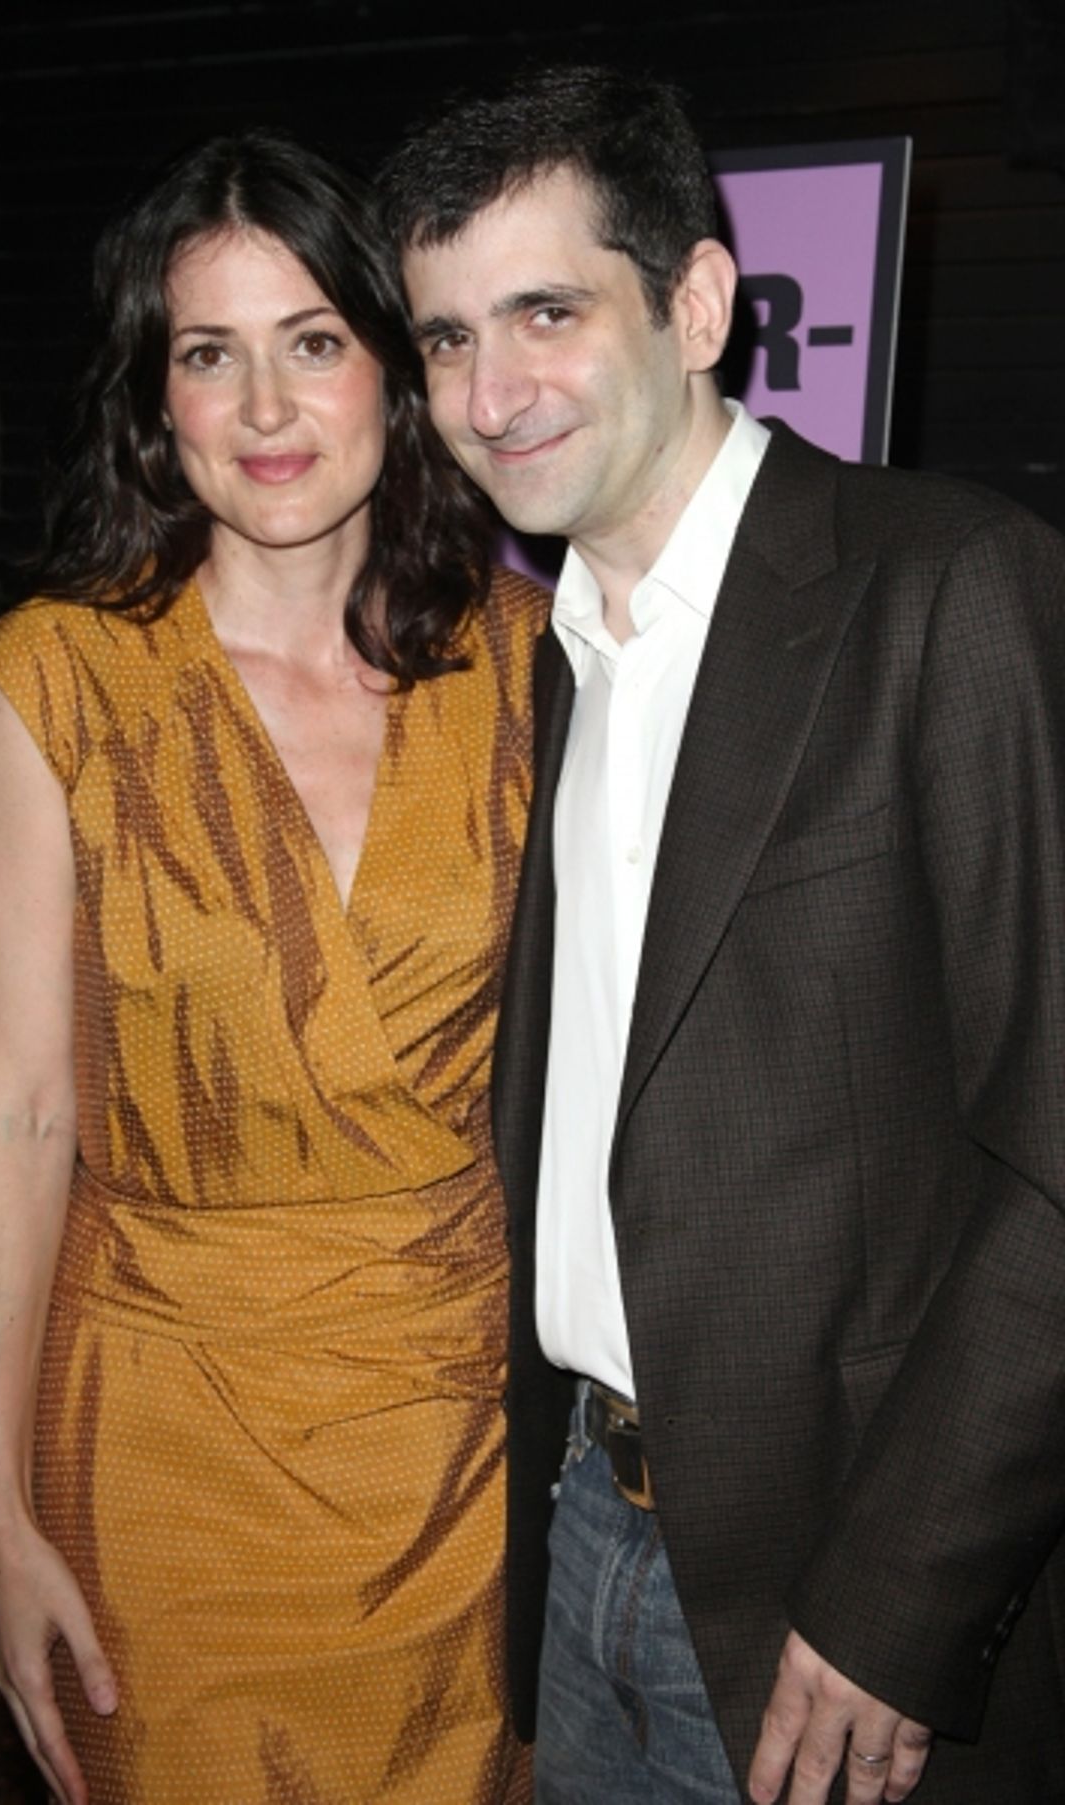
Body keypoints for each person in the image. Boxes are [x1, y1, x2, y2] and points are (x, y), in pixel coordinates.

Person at [379, 62, 1065, 1805]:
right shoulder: (547, 655)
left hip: (837, 1594)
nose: (487, 389)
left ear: (695, 303)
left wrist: (901, 1601)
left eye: (545, 309)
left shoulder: (947, 585)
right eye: (446, 336)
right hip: (587, 1539)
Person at [0, 126, 545, 1805]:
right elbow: (22, 1108)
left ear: (395, 373)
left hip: (460, 1445)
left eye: (311, 343)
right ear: (154, 397)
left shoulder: (527, 661)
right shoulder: (53, 686)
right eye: (210, 354)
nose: (265, 411)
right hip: (160, 1453)